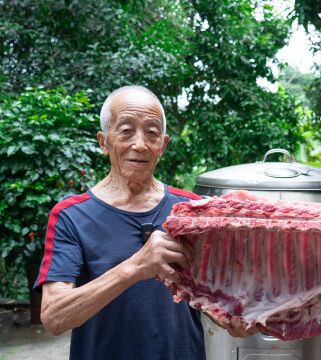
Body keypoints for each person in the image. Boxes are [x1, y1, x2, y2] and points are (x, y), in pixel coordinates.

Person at [34, 85, 207, 359]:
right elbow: (55, 316)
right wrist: (137, 266)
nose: (140, 144)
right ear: (104, 142)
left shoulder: (191, 209)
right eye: (126, 131)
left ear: (162, 145)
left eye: (151, 132)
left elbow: (217, 296)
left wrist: (240, 319)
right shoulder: (72, 215)